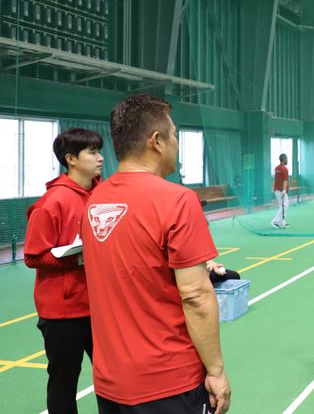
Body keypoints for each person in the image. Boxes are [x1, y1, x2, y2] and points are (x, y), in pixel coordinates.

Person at [80, 94, 231, 413]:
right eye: (175, 134)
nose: (177, 142)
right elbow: (195, 296)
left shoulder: (95, 201)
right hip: (168, 382)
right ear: (157, 141)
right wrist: (216, 371)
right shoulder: (177, 200)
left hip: (110, 383)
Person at [23, 128, 103, 414]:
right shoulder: (51, 203)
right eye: (92, 152)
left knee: (113, 377)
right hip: (63, 313)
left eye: (99, 151)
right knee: (64, 383)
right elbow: (33, 256)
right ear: (71, 159)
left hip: (100, 306)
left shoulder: (101, 195)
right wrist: (78, 259)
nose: (100, 158)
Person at [271, 153, 289, 229]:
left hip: (276, 190)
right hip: (281, 191)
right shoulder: (284, 169)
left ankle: (282, 223)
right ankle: (275, 221)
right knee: (285, 206)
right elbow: (285, 180)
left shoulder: (277, 168)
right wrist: (284, 189)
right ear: (284, 159)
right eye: (286, 158)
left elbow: (276, 179)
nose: (287, 160)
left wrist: (274, 187)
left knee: (281, 207)